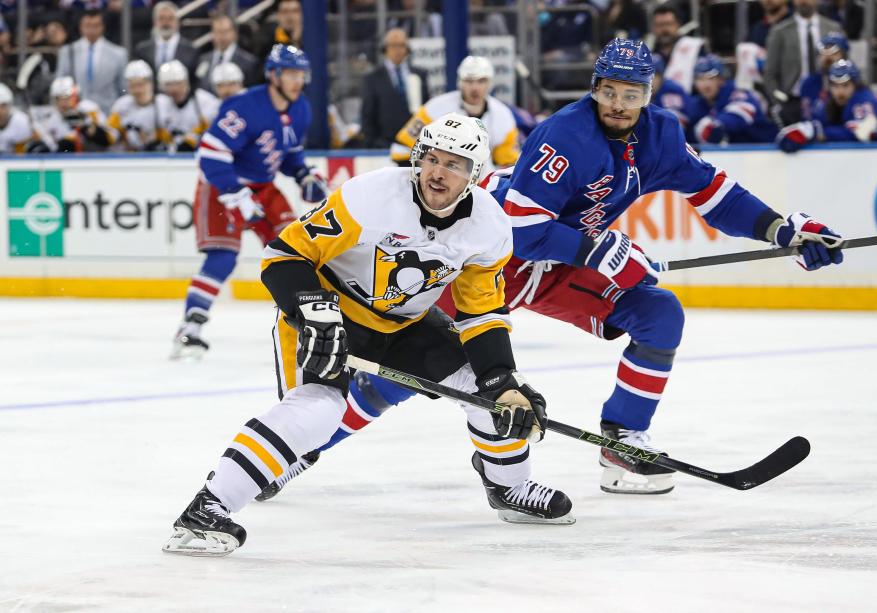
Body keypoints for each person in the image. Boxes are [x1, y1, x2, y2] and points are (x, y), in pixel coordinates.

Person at [256, 38, 845, 501]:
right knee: (401, 374)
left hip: (555, 265)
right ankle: (300, 452)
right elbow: (516, 227)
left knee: (657, 312)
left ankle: (621, 442)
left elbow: (716, 193)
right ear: (595, 89)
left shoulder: (663, 134)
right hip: (486, 262)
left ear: (649, 93)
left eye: (631, 93)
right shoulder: (565, 134)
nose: (618, 103)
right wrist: (595, 248)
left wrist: (781, 230)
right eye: (608, 91)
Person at [162, 112, 572, 556]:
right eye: (431, 158)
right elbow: (283, 256)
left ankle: (510, 487)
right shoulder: (370, 196)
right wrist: (314, 312)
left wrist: (501, 380)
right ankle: (206, 510)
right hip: (329, 313)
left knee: (495, 396)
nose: (438, 172)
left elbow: (482, 313)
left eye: (453, 164)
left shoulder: (489, 227)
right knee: (319, 410)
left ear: (474, 175)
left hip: (407, 324)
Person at [171, 44, 328, 359]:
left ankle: (313, 327)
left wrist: (304, 175)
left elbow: (289, 152)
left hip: (263, 187)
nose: (298, 81)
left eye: (302, 74)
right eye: (291, 74)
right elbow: (210, 154)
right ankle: (190, 329)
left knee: (294, 252)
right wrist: (235, 194)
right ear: (273, 75)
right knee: (222, 257)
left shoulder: (302, 109)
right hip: (220, 186)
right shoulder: (243, 106)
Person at [392, 55, 519, 168]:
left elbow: (507, 164)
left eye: (481, 81)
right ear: (460, 82)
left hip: (480, 184)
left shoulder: (503, 116)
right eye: (469, 81)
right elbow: (401, 149)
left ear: (490, 83)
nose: (475, 88)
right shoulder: (435, 108)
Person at [777, 60, 877, 152]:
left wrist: (819, 132)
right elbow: (819, 125)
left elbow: (862, 132)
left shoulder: (864, 99)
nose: (839, 91)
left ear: (855, 85)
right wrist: (809, 130)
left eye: (845, 85)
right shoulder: (831, 103)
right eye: (835, 86)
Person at [764, 0, 843, 125]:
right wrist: (780, 101)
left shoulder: (833, 28)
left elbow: (844, 64)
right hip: (792, 101)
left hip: (827, 98)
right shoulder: (779, 31)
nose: (803, 1)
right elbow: (769, 73)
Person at [360, 27, 428, 148]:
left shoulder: (420, 74)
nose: (397, 50)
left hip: (415, 144)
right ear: (385, 49)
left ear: (407, 49)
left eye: (401, 45)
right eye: (393, 45)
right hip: (384, 145)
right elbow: (367, 114)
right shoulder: (373, 78)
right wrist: (373, 144)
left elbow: (426, 107)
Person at [686, 54, 777, 144]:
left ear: (721, 79)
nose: (706, 85)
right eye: (700, 79)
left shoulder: (738, 93)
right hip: (731, 155)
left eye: (711, 78)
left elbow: (740, 113)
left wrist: (717, 124)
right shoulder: (696, 103)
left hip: (766, 151)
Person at [55, 9, 127, 113]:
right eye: (88, 25)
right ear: (81, 27)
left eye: (96, 25)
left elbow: (123, 88)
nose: (92, 29)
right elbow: (60, 84)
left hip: (109, 113)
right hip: (76, 112)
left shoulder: (118, 54)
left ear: (103, 27)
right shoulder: (68, 52)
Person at [29, 76, 112, 153]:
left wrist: (88, 127)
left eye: (67, 98)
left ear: (75, 96)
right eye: (59, 98)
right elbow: (53, 147)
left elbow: (110, 139)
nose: (63, 103)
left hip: (96, 159)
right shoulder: (51, 119)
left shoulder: (89, 109)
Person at [106, 59, 174, 151]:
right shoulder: (121, 106)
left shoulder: (165, 103)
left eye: (140, 85)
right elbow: (110, 135)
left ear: (150, 84)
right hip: (131, 158)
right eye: (132, 86)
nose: (137, 90)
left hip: (161, 157)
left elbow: (176, 135)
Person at [157, 59, 219, 152]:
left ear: (186, 82)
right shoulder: (160, 103)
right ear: (161, 86)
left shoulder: (207, 102)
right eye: (168, 84)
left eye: (178, 83)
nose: (174, 89)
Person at [133, 1, 199, 77]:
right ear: (154, 22)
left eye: (170, 18)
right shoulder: (142, 50)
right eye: (161, 18)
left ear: (177, 22)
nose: (166, 23)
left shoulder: (191, 50)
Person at [196, 14, 260, 93]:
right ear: (212, 34)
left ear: (234, 33)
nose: (221, 36)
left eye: (225, 32)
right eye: (217, 32)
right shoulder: (203, 59)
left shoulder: (249, 62)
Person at [798, 32, 849, 121]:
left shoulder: (853, 84)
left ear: (844, 56)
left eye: (834, 53)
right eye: (824, 53)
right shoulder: (809, 83)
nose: (828, 57)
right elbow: (806, 117)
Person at [651, 52, 689, 127]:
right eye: (644, 75)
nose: (649, 80)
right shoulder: (636, 88)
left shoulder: (671, 90)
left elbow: (676, 124)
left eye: (654, 76)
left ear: (661, 77)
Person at [0, 83, 35, 153]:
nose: (0, 111)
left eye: (3, 106)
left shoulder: (21, 122)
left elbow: (22, 155)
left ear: (10, 105)